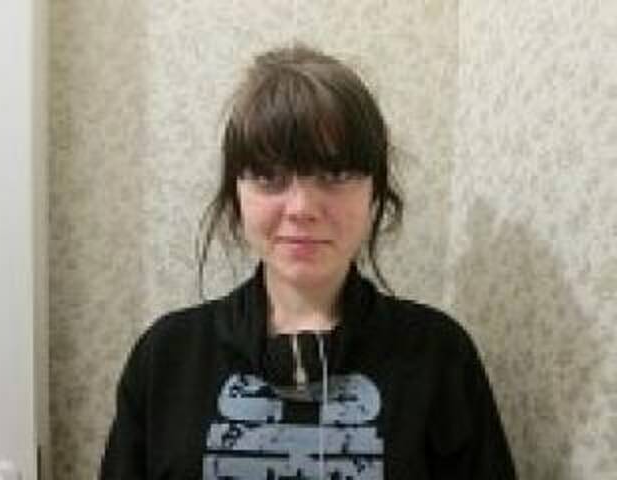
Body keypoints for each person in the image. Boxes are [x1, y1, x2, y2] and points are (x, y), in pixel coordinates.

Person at [100, 45, 516, 479]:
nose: (301, 208)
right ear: (236, 195)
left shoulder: (438, 356)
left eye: (335, 175)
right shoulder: (167, 357)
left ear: (374, 193)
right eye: (269, 177)